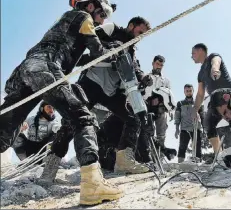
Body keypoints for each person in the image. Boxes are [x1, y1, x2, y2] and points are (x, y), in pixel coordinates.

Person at [0, 0, 125, 206]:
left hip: (26, 69)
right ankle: (92, 184)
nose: (101, 20)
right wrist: (113, 50)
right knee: (82, 117)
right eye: (102, 14)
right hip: (47, 66)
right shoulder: (84, 17)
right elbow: (97, 51)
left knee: (4, 130)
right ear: (90, 6)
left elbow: (80, 56)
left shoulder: (64, 23)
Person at [40, 12, 153, 178]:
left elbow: (134, 69)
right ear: (131, 26)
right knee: (73, 122)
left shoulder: (131, 51)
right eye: (140, 32)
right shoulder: (112, 29)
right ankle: (50, 167)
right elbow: (90, 39)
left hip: (111, 91)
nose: (140, 37)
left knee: (133, 118)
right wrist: (110, 46)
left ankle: (123, 161)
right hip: (91, 83)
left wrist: (143, 77)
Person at [191, 43, 231, 154]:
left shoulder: (213, 56)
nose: (192, 56)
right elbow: (200, 94)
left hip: (228, 93)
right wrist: (194, 109)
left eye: (193, 53)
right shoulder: (200, 74)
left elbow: (216, 62)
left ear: (201, 50)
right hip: (215, 99)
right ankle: (219, 156)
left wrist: (215, 69)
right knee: (208, 124)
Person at [143, 55, 172, 148]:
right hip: (146, 105)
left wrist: (170, 110)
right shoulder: (145, 77)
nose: (159, 66)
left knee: (162, 127)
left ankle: (160, 149)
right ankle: (146, 152)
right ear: (153, 63)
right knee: (147, 130)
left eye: (161, 65)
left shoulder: (166, 81)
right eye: (157, 64)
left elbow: (169, 97)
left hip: (160, 107)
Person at [174, 84, 205, 163]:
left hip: (196, 128)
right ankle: (180, 163)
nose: (189, 92)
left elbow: (202, 116)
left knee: (197, 147)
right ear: (184, 92)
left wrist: (204, 129)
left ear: (193, 91)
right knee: (182, 147)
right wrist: (177, 129)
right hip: (184, 128)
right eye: (187, 91)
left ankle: (198, 163)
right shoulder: (180, 103)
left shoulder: (198, 102)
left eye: (190, 91)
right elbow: (177, 117)